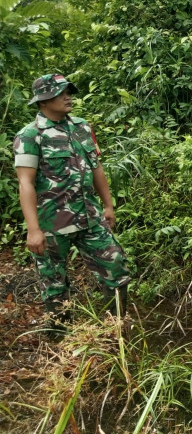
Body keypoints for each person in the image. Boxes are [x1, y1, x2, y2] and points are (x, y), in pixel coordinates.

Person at [14, 74, 131, 328]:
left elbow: (96, 167)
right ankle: (61, 341)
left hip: (89, 217)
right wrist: (33, 230)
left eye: (69, 91)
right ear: (43, 100)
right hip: (52, 223)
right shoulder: (30, 135)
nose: (68, 96)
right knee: (54, 283)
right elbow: (26, 183)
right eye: (60, 92)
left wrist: (108, 205)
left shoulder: (82, 127)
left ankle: (118, 330)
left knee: (115, 266)